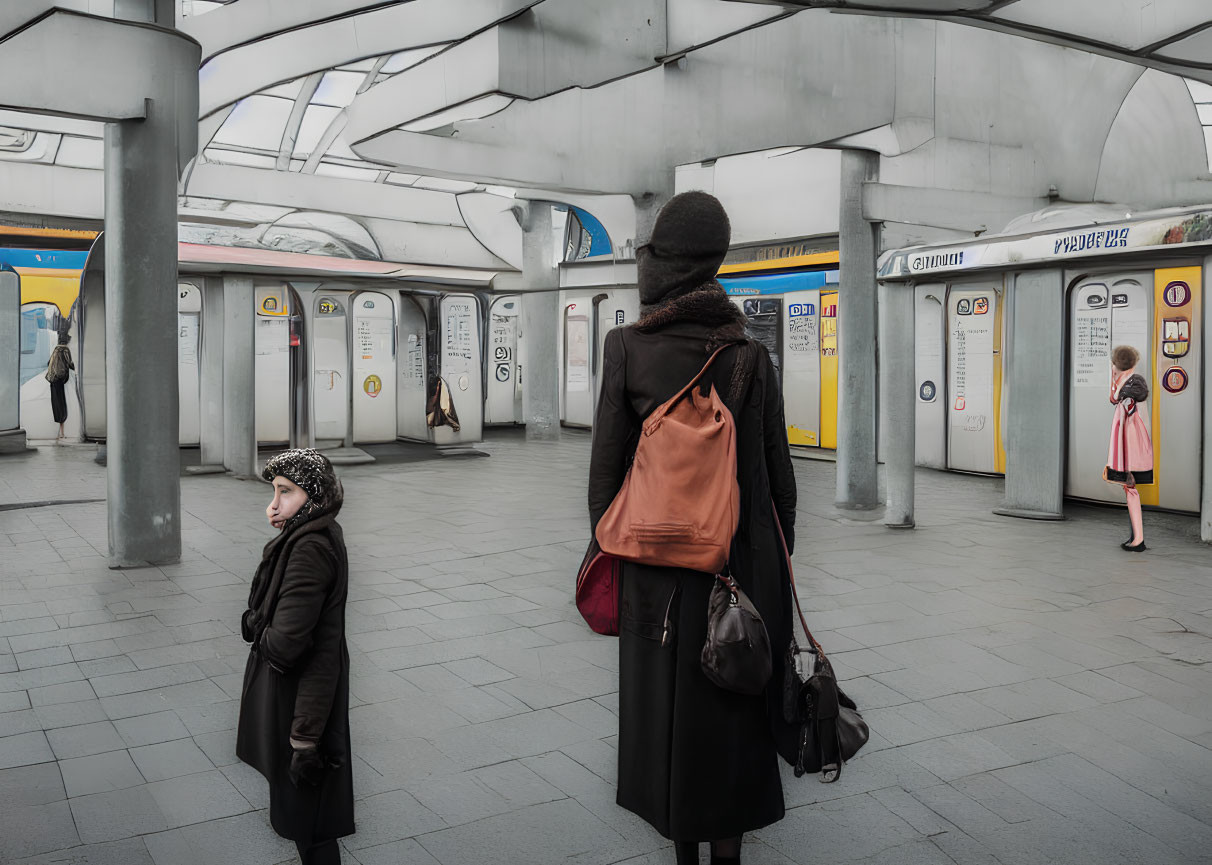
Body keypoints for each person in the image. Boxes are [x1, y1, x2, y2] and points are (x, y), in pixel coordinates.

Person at [587, 191, 798, 865]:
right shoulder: (748, 356)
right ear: (712, 262)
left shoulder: (625, 348)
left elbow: (603, 484)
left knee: (666, 724)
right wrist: (767, 569)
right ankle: (727, 856)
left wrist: (640, 545)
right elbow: (777, 489)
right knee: (729, 720)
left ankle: (682, 851)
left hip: (654, 581)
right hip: (734, 573)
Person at [237, 449, 354, 864]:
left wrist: (255, 623)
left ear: (313, 496)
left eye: (285, 492)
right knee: (309, 818)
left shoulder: (308, 549)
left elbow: (286, 645)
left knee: (311, 821)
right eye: (273, 492)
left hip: (300, 700)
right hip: (308, 695)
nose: (273, 504)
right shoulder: (313, 534)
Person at [1105, 345, 1153, 552]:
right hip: (1132, 452)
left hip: (1130, 455)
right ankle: (1136, 537)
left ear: (1117, 365)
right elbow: (1113, 398)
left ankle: (1138, 540)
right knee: (1130, 491)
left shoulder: (1129, 391)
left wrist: (1128, 465)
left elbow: (1128, 427)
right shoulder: (1130, 385)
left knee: (1131, 490)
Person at [45, 328, 74, 440]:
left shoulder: (55, 350)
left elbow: (48, 363)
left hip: (52, 380)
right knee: (61, 405)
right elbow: (71, 364)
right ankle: (62, 432)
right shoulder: (65, 350)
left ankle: (59, 432)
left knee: (56, 404)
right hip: (60, 380)